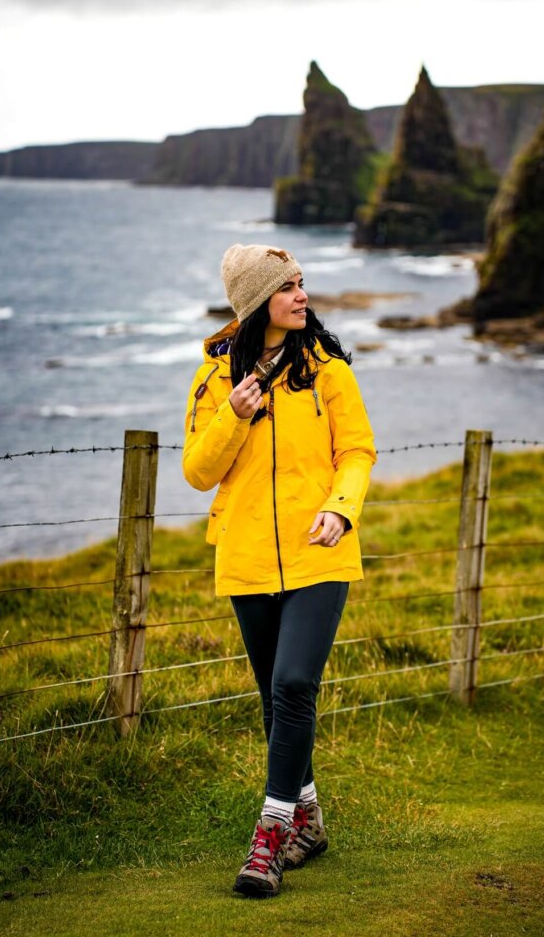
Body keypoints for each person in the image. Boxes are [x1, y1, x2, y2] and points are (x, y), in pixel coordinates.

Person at [182, 243, 376, 899]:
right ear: (255, 300)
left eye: (301, 284)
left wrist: (340, 509)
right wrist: (234, 417)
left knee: (293, 686)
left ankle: (268, 840)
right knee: (276, 702)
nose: (302, 295)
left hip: (318, 553)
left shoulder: (327, 371)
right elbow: (198, 472)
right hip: (245, 558)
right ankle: (309, 822)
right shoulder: (213, 380)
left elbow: (356, 451)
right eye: (287, 287)